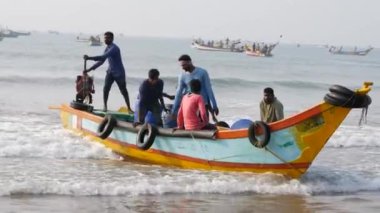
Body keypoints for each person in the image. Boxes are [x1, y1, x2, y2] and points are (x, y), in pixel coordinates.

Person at [83, 31, 132, 112]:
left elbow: (102, 57)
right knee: (106, 89)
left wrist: (89, 58)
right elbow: (101, 62)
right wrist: (89, 69)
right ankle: (105, 107)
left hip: (119, 73)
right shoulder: (107, 48)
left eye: (108, 38)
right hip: (110, 72)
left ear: (112, 39)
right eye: (105, 38)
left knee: (123, 91)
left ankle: (129, 108)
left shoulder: (114, 48)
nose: (105, 39)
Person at [172, 54, 219, 120]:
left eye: (184, 65)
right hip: (189, 103)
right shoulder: (182, 76)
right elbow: (178, 93)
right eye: (181, 66)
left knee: (204, 123)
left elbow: (208, 89)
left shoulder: (202, 72)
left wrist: (214, 105)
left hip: (203, 103)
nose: (182, 68)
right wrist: (174, 110)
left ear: (190, 62)